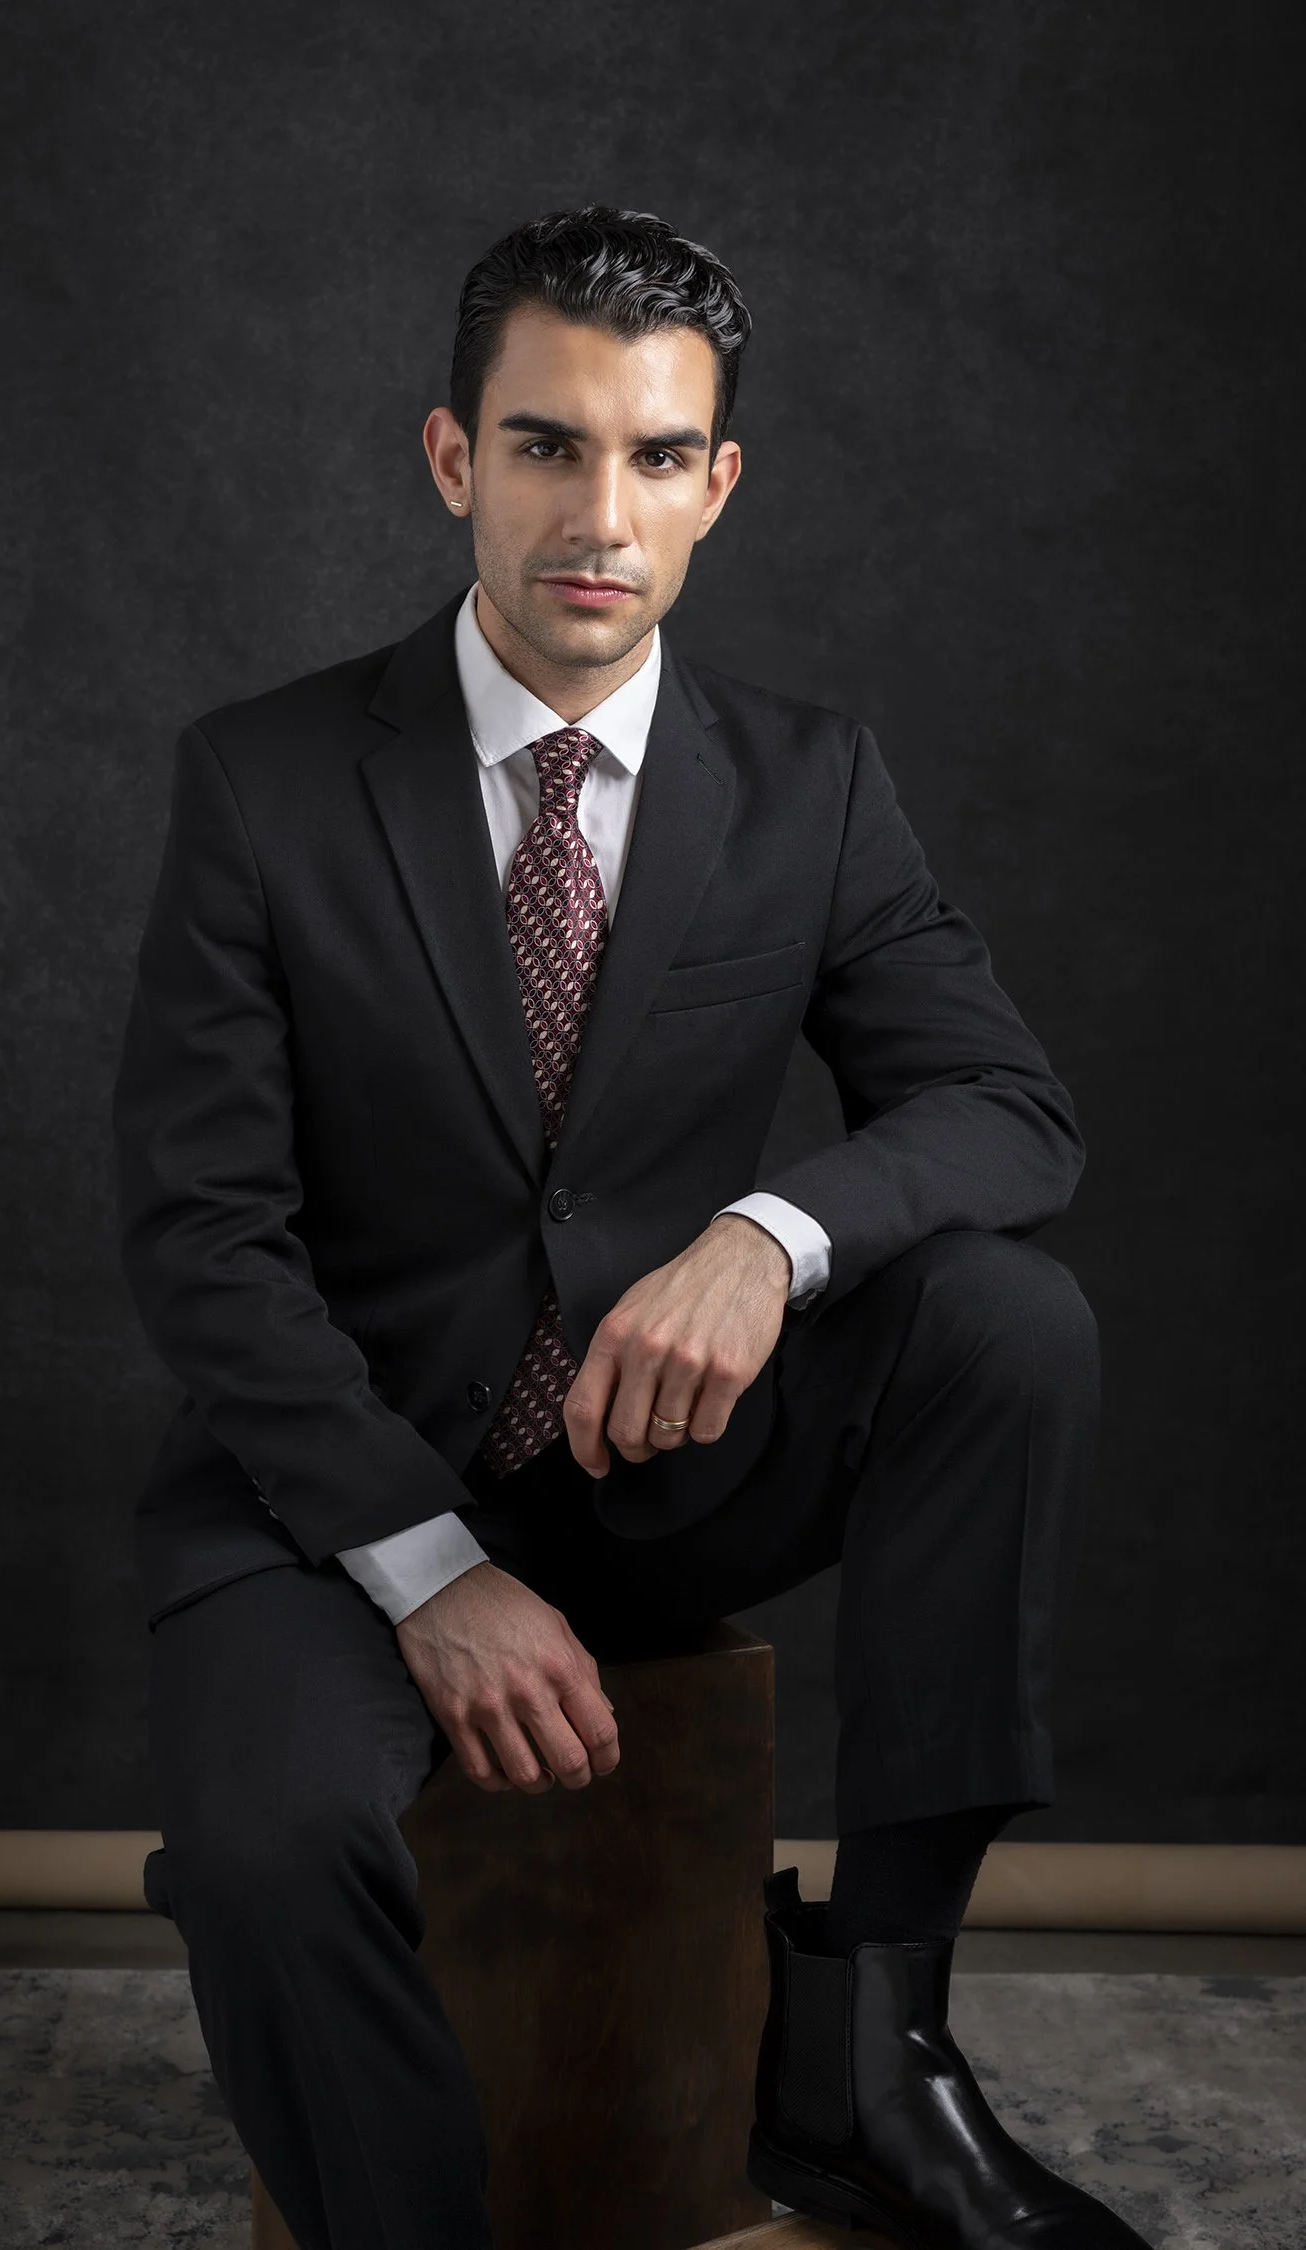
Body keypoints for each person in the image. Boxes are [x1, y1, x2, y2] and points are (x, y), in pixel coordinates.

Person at [111, 204, 1149, 2249]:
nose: (602, 512)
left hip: (663, 1465)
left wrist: (767, 1234)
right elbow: (199, 1228)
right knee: (260, 1846)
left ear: (718, 484)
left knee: (1009, 1326)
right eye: (547, 445)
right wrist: (419, 1567)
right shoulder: (267, 783)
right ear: (450, 459)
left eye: (657, 455)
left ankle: (870, 2055)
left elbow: (1007, 1108)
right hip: (338, 1481)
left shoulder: (812, 787)